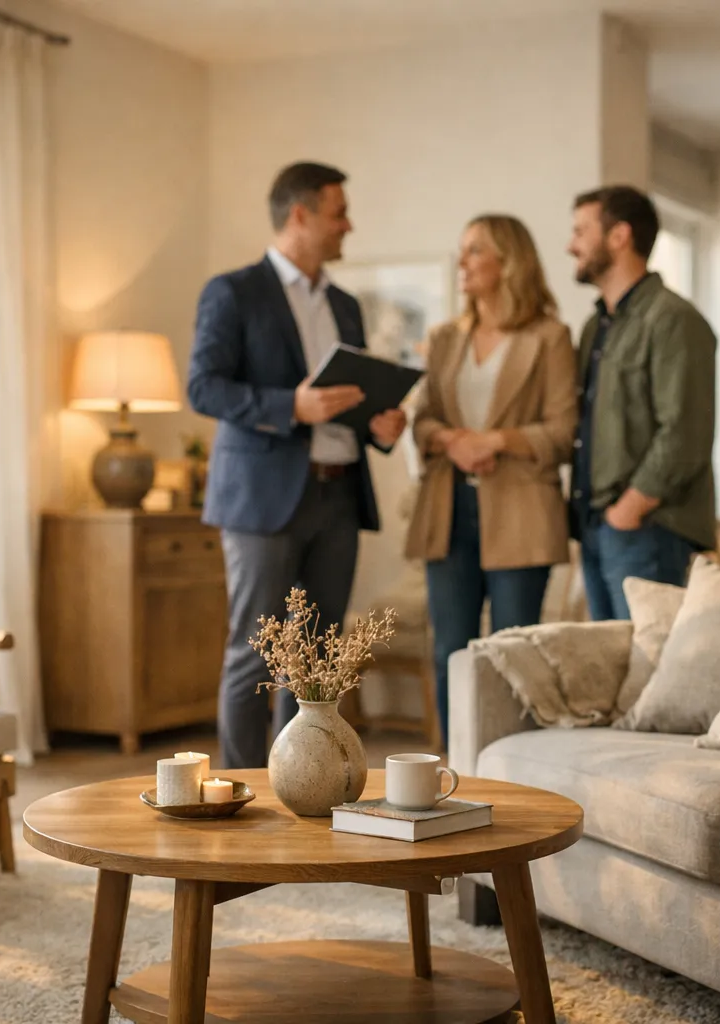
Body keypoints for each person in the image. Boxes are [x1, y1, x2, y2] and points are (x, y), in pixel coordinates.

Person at [187, 161, 408, 769]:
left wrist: (380, 425)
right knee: (255, 654)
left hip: (339, 497)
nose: (348, 226)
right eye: (340, 213)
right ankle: (241, 791)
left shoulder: (344, 304)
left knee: (316, 660)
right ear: (300, 215)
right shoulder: (233, 292)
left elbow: (347, 399)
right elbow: (203, 387)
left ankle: (304, 784)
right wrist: (291, 406)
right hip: (261, 501)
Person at [405, 214, 578, 735]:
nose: (462, 261)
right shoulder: (444, 338)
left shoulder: (550, 337)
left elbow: (563, 430)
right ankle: (450, 766)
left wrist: (495, 441)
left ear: (509, 261)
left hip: (521, 514)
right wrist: (451, 442)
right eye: (463, 250)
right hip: (449, 509)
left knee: (512, 653)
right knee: (449, 652)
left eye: (475, 250)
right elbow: (422, 420)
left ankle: (506, 770)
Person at [566, 185, 717, 621]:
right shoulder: (595, 327)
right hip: (598, 526)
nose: (571, 245)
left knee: (650, 658)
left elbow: (685, 431)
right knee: (610, 659)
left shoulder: (674, 320)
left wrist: (630, 508)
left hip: (648, 528)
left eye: (580, 231)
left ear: (619, 236)